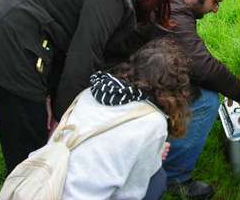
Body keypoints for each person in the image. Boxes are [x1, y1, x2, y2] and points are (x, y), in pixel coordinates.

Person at [0, 0, 175, 173]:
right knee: (30, 147)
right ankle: (27, 187)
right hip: (12, 46)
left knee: (25, 125)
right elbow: (81, 63)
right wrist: (64, 122)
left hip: (6, 34)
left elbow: (68, 43)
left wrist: (51, 98)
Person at [59, 38, 193, 200]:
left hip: (47, 182)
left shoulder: (92, 92)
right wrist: (153, 157)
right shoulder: (153, 122)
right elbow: (130, 194)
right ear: (174, 91)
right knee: (158, 180)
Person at [161, 0, 240, 199]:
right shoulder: (176, 12)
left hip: (130, 67)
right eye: (216, 2)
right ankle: (173, 178)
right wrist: (239, 92)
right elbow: (200, 65)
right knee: (205, 100)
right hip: (123, 78)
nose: (215, 10)